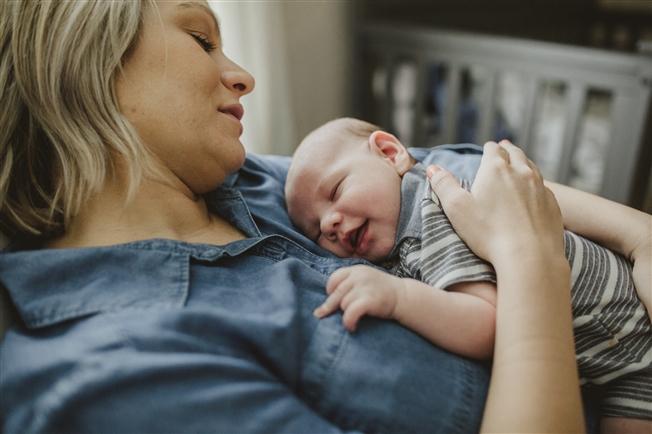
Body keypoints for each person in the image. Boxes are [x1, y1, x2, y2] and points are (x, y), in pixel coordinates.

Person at [0, 1, 586, 433]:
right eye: (201, 39)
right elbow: (516, 221)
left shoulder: (246, 181)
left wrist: (640, 238)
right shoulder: (113, 375)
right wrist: (532, 268)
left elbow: (441, 172)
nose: (244, 77)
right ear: (85, 58)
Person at [285, 118, 652, 429]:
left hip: (632, 341)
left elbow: (487, 323)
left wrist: (398, 297)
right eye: (316, 230)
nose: (330, 223)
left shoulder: (428, 218)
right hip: (604, 360)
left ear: (390, 153)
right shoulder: (399, 241)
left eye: (336, 191)